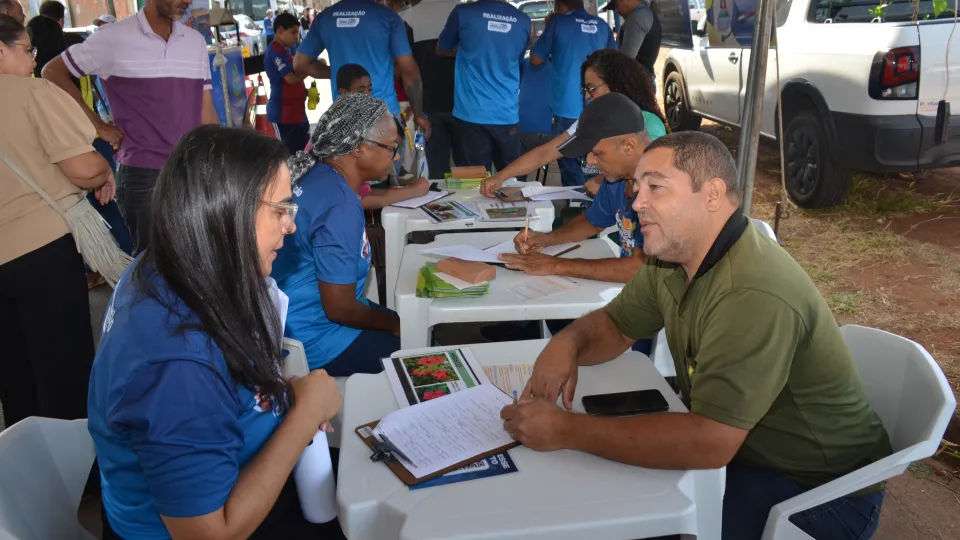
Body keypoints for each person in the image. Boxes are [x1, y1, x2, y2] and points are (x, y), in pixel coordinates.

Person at [501, 130, 893, 540]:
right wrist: (567, 343)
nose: (636, 202)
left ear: (711, 195)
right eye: (637, 187)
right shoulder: (672, 258)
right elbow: (616, 325)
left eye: (656, 187)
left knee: (636, 523)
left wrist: (566, 431)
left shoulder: (751, 290)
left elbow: (710, 442)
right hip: (751, 454)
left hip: (820, 491)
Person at [89, 126, 344, 540]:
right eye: (280, 210)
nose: (291, 226)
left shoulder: (169, 262)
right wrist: (303, 416)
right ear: (227, 213)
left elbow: (218, 382)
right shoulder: (176, 362)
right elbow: (210, 534)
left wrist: (273, 393)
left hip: (231, 470)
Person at [0, 14, 114, 427]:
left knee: (14, 373)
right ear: (1, 50)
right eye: (26, 51)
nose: (33, 61)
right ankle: (80, 476)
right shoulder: (29, 93)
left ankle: (29, 474)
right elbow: (84, 169)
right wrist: (103, 171)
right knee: (63, 366)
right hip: (40, 252)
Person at [43, 0, 219, 255]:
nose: (188, 1)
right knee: (154, 272)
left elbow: (207, 112)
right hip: (144, 177)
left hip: (193, 171)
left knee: (200, 263)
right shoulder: (113, 38)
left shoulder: (195, 42)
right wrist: (98, 126)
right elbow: (52, 73)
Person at [273, 94, 403, 375]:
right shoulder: (341, 205)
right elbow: (340, 309)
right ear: (358, 148)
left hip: (287, 321)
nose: (397, 156)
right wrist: (395, 326)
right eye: (392, 148)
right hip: (315, 338)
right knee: (418, 351)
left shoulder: (316, 174)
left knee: (402, 320)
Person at [499, 93, 652, 284]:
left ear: (629, 146)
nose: (589, 161)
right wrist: (547, 239)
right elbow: (593, 221)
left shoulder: (663, 188)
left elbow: (640, 268)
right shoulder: (617, 180)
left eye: (597, 153)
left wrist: (554, 265)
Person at [482, 49, 666, 198]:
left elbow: (649, 176)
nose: (587, 96)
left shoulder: (647, 124)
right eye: (585, 89)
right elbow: (545, 153)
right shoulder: (591, 119)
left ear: (617, 85)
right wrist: (501, 176)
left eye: (592, 88)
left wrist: (602, 181)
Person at [294, 0, 430, 138]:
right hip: (383, 115)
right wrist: (418, 114)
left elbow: (300, 64)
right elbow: (409, 71)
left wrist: (337, 73)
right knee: (388, 158)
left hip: (345, 116)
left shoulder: (325, 18)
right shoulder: (387, 17)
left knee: (349, 159)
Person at [530, 0, 616, 187]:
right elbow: (615, 63)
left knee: (570, 163)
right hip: (600, 106)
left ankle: (576, 208)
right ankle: (594, 207)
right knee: (598, 162)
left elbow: (535, 59)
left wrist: (549, 29)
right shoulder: (602, 25)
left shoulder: (558, 22)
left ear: (560, 5)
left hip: (567, 107)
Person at [437, 0, 530, 172]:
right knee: (510, 182)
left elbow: (441, 49)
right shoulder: (523, 20)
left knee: (473, 184)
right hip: (507, 115)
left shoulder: (462, 13)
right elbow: (517, 59)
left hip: (471, 115)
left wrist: (463, 48)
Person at [335, 63, 430, 210]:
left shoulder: (365, 121)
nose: (367, 95)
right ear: (344, 93)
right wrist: (412, 191)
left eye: (370, 89)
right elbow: (360, 199)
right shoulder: (343, 131)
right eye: (361, 91)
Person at [401, 0, 458, 177]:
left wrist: (416, 110)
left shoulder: (406, 18)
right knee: (470, 170)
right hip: (465, 107)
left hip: (429, 105)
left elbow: (406, 71)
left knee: (437, 172)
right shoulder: (464, 12)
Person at [265, 12, 309, 154]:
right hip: (284, 117)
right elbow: (290, 79)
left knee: (302, 157)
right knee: (290, 159)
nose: (296, 37)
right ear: (280, 30)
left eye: (297, 32)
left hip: (296, 115)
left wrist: (304, 92)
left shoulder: (286, 50)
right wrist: (310, 69)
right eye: (293, 32)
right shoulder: (275, 52)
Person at [605, 0, 660, 85]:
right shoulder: (644, 13)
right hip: (641, 79)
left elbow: (626, 58)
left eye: (617, 5)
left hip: (637, 81)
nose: (617, 11)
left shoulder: (638, 17)